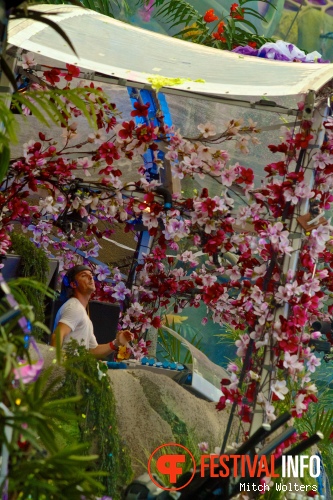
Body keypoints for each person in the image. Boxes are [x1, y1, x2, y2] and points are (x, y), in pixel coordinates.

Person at [51, 264, 133, 358]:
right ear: (73, 284)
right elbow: (57, 335)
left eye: (91, 274)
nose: (90, 277)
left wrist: (116, 343)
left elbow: (93, 351)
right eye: (83, 275)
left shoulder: (81, 311)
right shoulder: (74, 307)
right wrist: (54, 365)